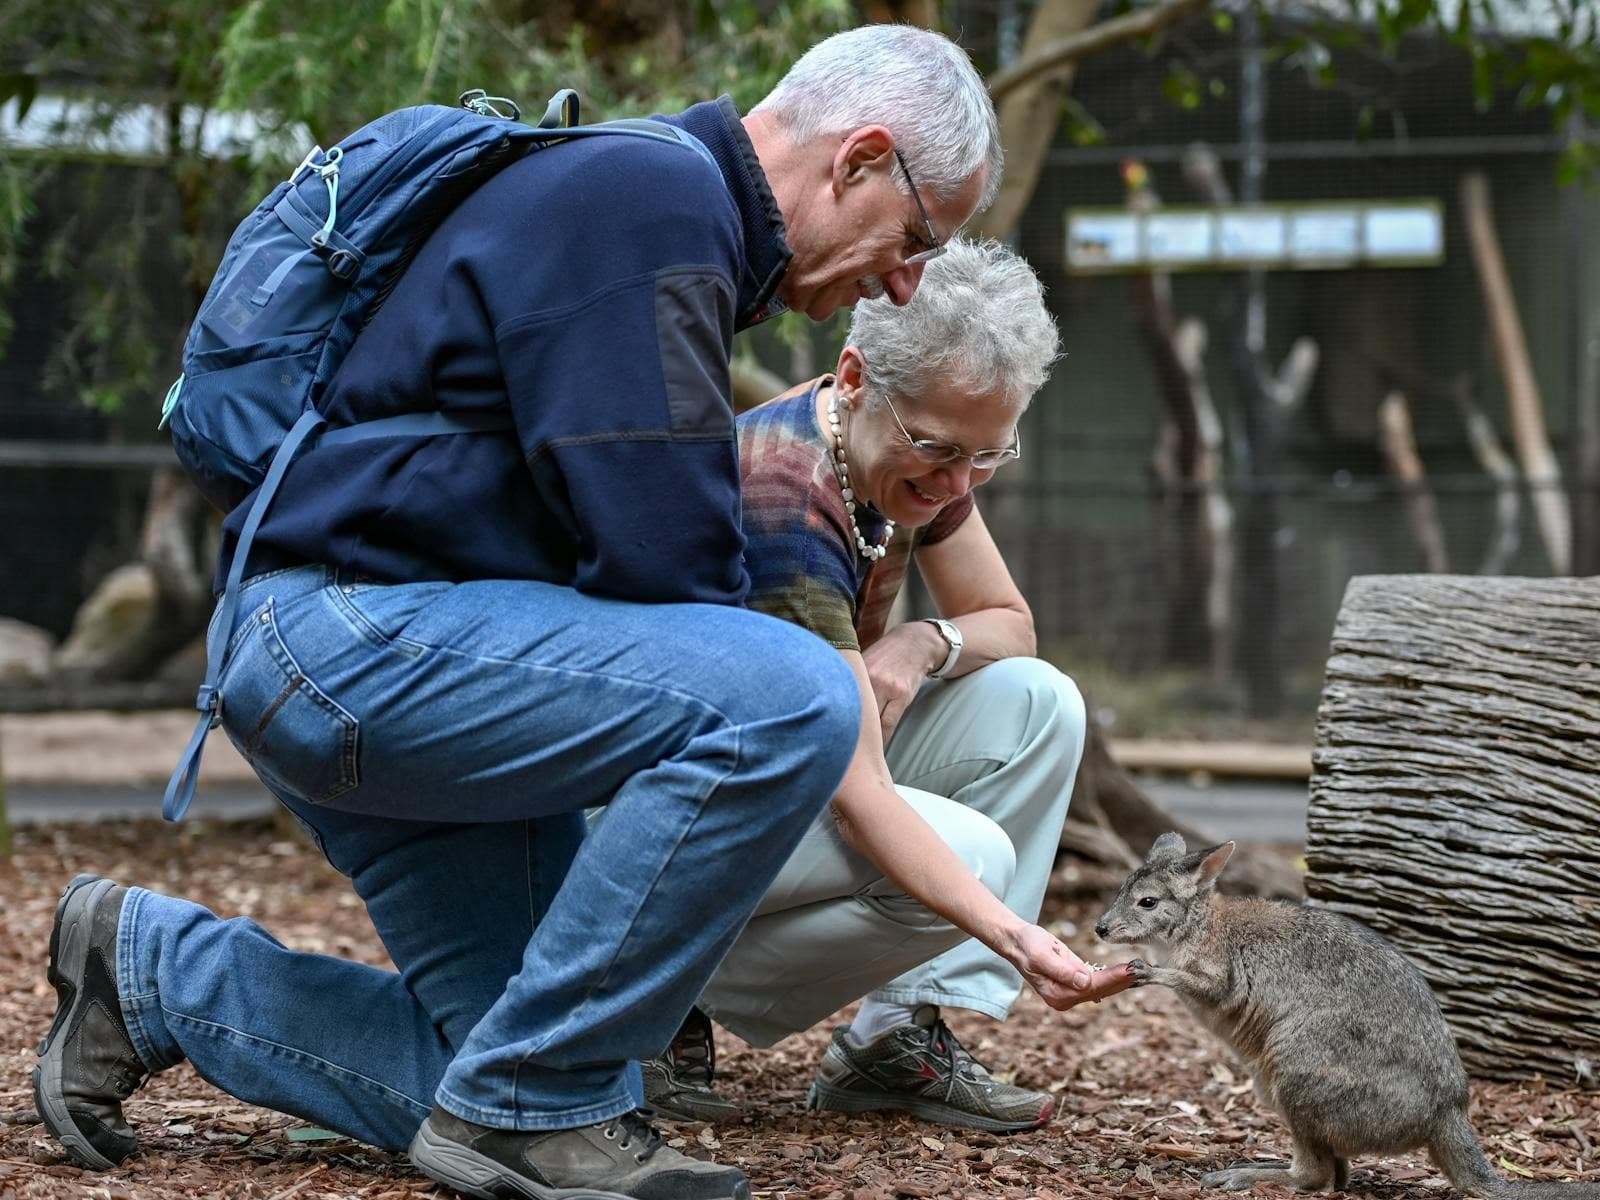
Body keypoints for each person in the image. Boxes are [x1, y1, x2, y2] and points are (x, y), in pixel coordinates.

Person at [27, 26, 1104, 1200]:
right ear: (861, 159)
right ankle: (529, 1109)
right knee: (784, 693)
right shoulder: (651, 200)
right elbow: (666, 564)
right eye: (914, 241)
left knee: (511, 1073)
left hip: (395, 647)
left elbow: (633, 554)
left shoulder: (656, 213)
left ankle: (154, 973)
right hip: (356, 643)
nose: (905, 282)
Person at [639, 239, 1133, 1132]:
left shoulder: (915, 457)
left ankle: (894, 1038)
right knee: (976, 859)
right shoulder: (786, 494)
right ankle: (654, 1000)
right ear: (856, 375)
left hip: (790, 759)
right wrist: (1014, 934)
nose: (955, 484)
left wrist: (919, 640)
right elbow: (858, 793)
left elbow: (1006, 623)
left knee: (1041, 702)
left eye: (987, 456)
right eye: (939, 450)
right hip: (665, 811)